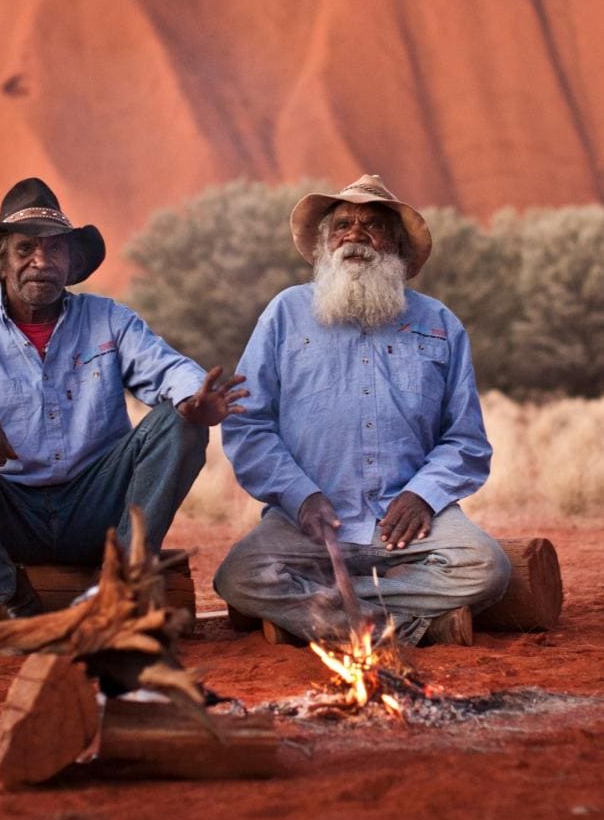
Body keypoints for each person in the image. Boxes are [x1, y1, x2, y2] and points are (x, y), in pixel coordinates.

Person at [0, 178, 247, 618]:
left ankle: (123, 583)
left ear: (71, 262)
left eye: (56, 250)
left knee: (182, 423)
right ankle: (11, 598)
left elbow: (168, 369)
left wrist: (192, 399)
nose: (41, 262)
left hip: (99, 510)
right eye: (25, 249)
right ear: (1, 262)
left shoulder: (109, 320)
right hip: (11, 515)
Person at [215, 174, 510, 647]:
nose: (355, 235)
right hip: (311, 520)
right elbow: (249, 422)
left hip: (408, 523)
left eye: (372, 225)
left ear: (395, 245)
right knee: (239, 576)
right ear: (323, 243)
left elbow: (465, 439)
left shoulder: (439, 324)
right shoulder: (285, 313)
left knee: (487, 568)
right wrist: (299, 495)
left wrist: (423, 495)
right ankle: (412, 623)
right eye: (343, 224)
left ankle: (329, 614)